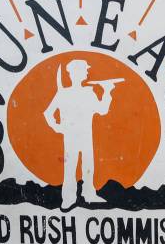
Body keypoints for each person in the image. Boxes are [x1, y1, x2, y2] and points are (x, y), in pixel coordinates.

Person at [43, 58, 122, 212]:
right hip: (71, 137)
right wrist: (57, 127)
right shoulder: (63, 94)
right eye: (85, 70)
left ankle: (89, 194)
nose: (87, 72)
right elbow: (47, 113)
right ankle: (68, 198)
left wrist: (107, 91)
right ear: (76, 73)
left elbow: (102, 110)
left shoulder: (88, 93)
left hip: (86, 136)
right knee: (71, 167)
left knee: (88, 166)